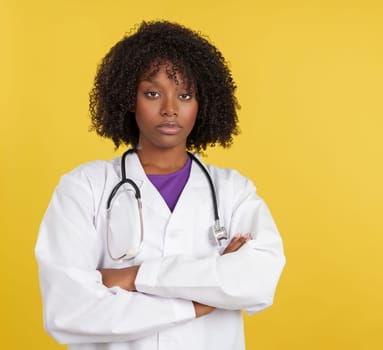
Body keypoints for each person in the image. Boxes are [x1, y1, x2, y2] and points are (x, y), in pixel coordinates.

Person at [35, 20, 285, 350]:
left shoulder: (233, 192)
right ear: (128, 98)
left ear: (203, 103)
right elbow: (68, 312)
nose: (170, 109)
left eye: (185, 95)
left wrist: (133, 277)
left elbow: (256, 282)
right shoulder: (84, 188)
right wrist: (198, 302)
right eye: (152, 93)